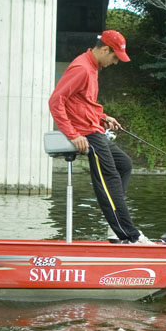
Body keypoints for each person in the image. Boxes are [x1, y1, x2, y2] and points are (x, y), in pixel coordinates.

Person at [48, 29, 152, 244]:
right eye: (114, 57)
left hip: (94, 128)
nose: (115, 62)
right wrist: (72, 134)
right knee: (110, 178)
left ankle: (115, 226)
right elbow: (56, 101)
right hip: (86, 134)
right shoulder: (82, 68)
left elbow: (82, 103)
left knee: (124, 164)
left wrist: (103, 117)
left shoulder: (92, 66)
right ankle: (128, 235)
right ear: (105, 49)